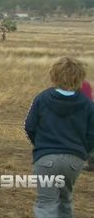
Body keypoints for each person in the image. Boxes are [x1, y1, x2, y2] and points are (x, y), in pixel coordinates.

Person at [24, 57, 94, 218]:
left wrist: (41, 146)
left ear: (54, 75)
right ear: (80, 77)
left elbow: (29, 126)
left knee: (46, 203)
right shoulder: (88, 104)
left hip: (46, 159)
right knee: (65, 201)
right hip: (74, 161)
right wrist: (83, 152)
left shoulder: (42, 98)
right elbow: (92, 135)